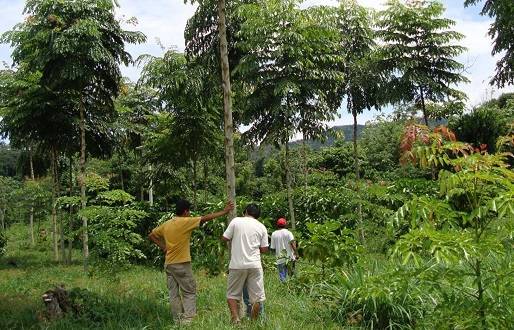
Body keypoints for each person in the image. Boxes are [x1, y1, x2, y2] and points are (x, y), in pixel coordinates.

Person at [149, 199, 234, 324]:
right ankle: (188, 320)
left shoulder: (167, 224)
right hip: (182, 264)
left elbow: (151, 235)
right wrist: (224, 211)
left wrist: (163, 247)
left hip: (169, 264)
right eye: (189, 212)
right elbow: (205, 218)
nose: (190, 214)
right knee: (189, 291)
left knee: (173, 293)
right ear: (185, 211)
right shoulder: (185, 221)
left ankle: (177, 319)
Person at [222, 204, 268, 323]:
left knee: (232, 294)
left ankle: (236, 319)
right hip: (255, 265)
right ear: (257, 215)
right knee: (257, 298)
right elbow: (264, 249)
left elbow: (225, 238)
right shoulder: (262, 227)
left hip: (237, 265)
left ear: (245, 211)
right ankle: (253, 321)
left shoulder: (236, 221)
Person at [270, 217, 298, 282]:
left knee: (282, 277)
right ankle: (291, 289)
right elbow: (292, 244)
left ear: (277, 225)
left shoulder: (274, 234)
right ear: (285, 225)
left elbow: (273, 248)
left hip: (280, 258)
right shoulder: (288, 233)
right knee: (291, 275)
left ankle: (284, 289)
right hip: (290, 257)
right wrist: (296, 254)